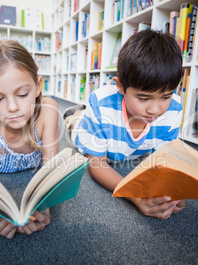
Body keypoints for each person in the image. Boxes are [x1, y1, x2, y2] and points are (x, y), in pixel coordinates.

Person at [64, 30, 186, 220]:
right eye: (144, 98)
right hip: (80, 129)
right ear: (120, 86)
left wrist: (172, 193)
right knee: (75, 123)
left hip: (118, 141)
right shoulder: (102, 102)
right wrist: (136, 197)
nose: (155, 109)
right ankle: (77, 112)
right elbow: (97, 163)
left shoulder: (174, 108)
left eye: (166, 96)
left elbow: (165, 161)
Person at [0, 39, 59, 238]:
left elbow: (51, 171)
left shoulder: (48, 110)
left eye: (23, 94)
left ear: (38, 86)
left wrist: (45, 207)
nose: (12, 107)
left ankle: (74, 118)